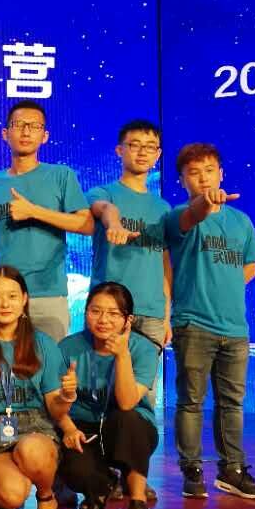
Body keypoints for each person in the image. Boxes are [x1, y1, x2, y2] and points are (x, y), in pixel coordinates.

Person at [166, 143, 255, 501]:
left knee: (232, 403)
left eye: (209, 170)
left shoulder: (241, 221)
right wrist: (205, 204)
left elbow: (251, 265)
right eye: (194, 173)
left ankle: (232, 470)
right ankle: (192, 470)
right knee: (191, 401)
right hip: (193, 325)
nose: (203, 178)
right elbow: (192, 216)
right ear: (182, 181)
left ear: (221, 173)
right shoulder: (179, 215)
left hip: (235, 329)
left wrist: (224, 286)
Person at [0, 266, 78, 509]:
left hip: (35, 426)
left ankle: (46, 494)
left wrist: (66, 396)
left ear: (24, 299)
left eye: (12, 296)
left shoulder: (43, 343)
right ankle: (4, 486)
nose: (5, 304)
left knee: (31, 451)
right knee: (11, 495)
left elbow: (55, 409)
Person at [0, 101, 88, 343]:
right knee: (2, 364)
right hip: (2, 294)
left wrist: (34, 211)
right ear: (5, 133)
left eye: (34, 126)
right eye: (19, 125)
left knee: (50, 364)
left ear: (44, 136)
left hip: (48, 293)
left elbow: (86, 225)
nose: (26, 132)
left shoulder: (61, 175)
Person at [58, 282, 161, 509]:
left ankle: (137, 499)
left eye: (113, 313)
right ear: (86, 313)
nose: (103, 320)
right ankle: (102, 484)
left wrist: (122, 355)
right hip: (83, 426)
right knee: (74, 469)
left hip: (128, 427)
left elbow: (127, 402)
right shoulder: (68, 347)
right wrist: (67, 408)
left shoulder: (143, 349)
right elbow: (54, 402)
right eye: (95, 311)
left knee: (128, 418)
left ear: (128, 320)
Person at [82, 119, 172, 350]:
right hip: (109, 311)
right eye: (134, 145)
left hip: (152, 315)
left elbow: (164, 265)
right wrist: (114, 224)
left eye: (150, 147)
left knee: (145, 375)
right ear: (119, 150)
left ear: (158, 154)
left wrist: (166, 316)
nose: (142, 152)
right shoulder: (102, 192)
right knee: (101, 373)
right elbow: (103, 208)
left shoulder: (163, 208)